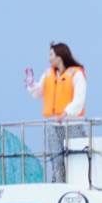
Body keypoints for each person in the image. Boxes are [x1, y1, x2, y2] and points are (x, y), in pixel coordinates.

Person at [25, 43, 87, 183]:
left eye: (51, 55)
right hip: (53, 125)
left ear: (60, 56)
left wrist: (65, 113)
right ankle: (59, 184)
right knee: (56, 158)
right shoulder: (48, 74)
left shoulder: (76, 74)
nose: (49, 58)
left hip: (72, 123)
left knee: (76, 157)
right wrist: (30, 84)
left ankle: (80, 183)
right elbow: (38, 92)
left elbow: (79, 99)